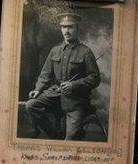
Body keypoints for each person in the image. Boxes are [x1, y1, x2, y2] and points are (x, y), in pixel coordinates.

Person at [25, 11, 101, 140]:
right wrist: (38, 89)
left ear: (77, 29)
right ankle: (55, 136)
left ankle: (65, 138)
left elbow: (95, 78)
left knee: (70, 140)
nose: (66, 30)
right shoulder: (55, 50)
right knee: (31, 105)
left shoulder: (86, 52)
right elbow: (45, 75)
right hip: (56, 95)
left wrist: (74, 85)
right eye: (63, 27)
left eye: (70, 27)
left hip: (76, 101)